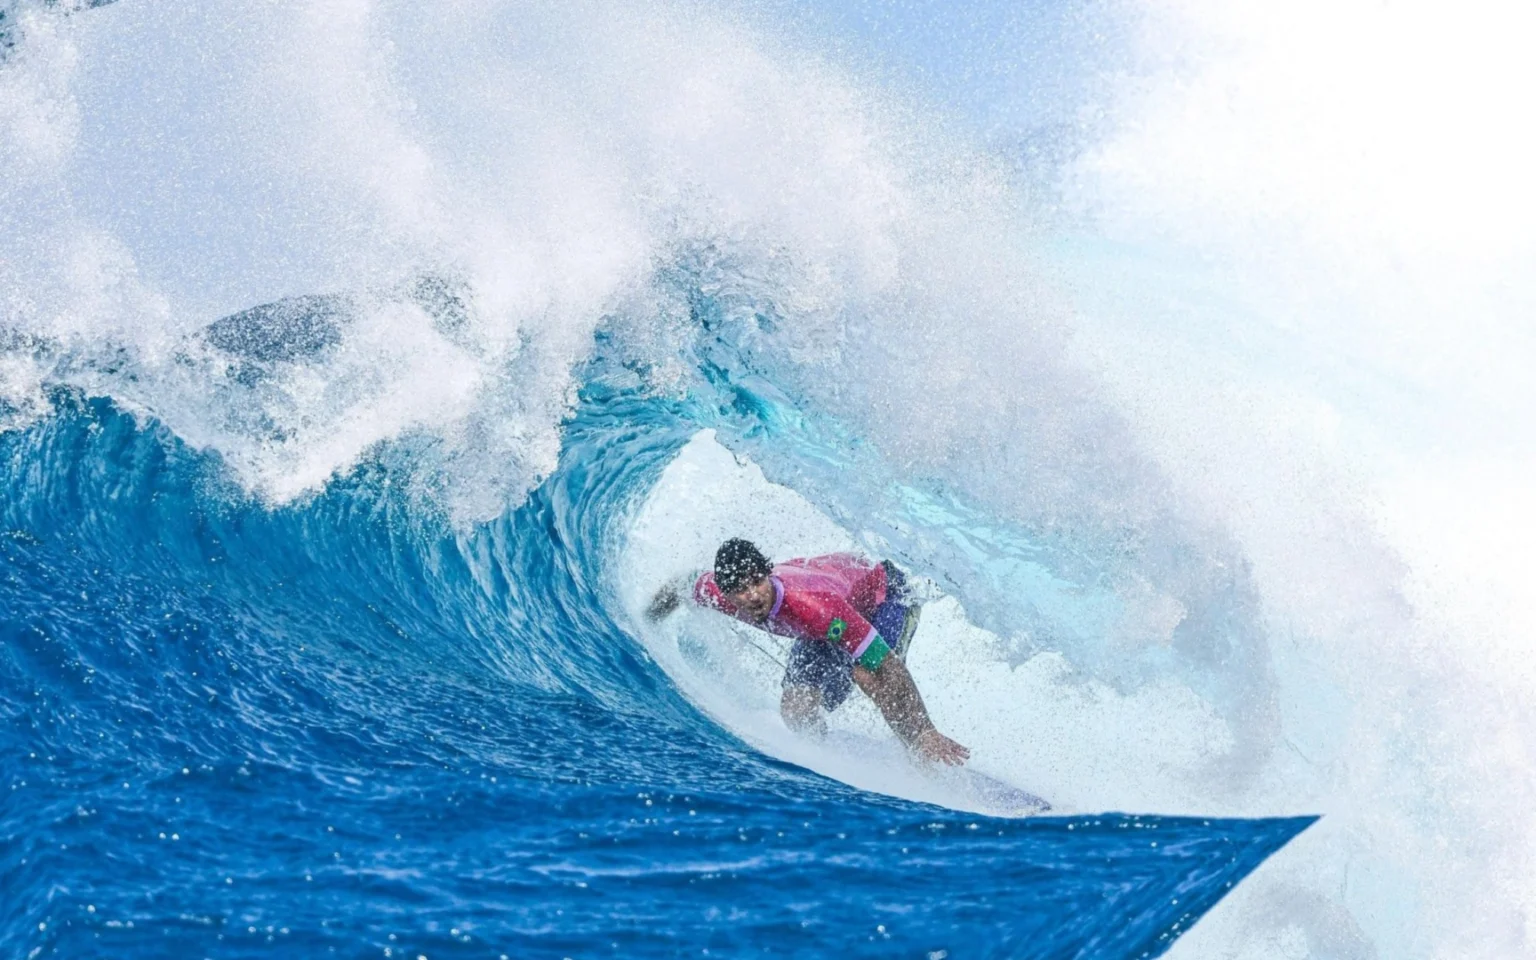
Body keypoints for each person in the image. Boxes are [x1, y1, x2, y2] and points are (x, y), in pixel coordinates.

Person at [647, 539, 970, 766]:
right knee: (796, 709)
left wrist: (924, 728)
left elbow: (886, 664)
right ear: (727, 594)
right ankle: (825, 769)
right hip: (828, 617)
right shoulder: (717, 593)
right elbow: (682, 584)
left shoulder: (813, 607)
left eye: (757, 582)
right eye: (740, 590)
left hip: (885, 595)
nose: (752, 595)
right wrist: (643, 624)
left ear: (767, 573)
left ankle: (922, 754)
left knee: (868, 674)